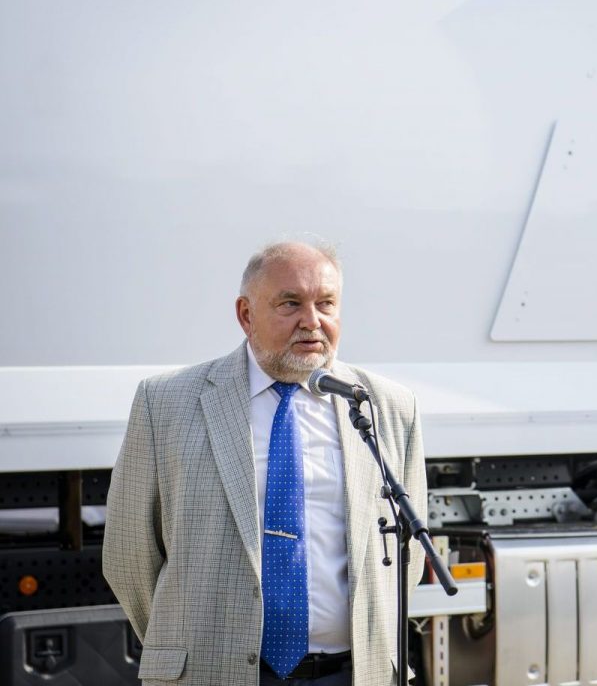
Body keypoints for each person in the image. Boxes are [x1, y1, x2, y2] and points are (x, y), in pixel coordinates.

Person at [104, 240, 425, 686]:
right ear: (246, 314)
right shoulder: (167, 403)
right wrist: (181, 646)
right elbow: (129, 555)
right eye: (290, 304)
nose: (311, 321)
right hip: (214, 674)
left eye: (326, 304)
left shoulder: (384, 406)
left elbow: (406, 558)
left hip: (350, 673)